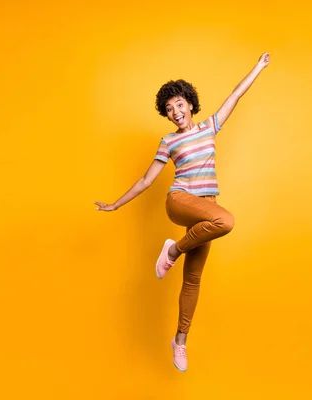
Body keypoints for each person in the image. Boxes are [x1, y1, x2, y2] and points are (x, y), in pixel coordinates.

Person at [95, 52, 270, 372]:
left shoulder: (209, 127)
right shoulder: (167, 141)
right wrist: (116, 204)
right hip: (180, 200)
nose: (174, 112)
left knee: (192, 280)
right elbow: (147, 179)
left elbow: (234, 95)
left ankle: (180, 341)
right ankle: (172, 250)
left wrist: (257, 67)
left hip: (207, 206)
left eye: (178, 104)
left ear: (190, 104)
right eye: (168, 109)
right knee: (225, 221)